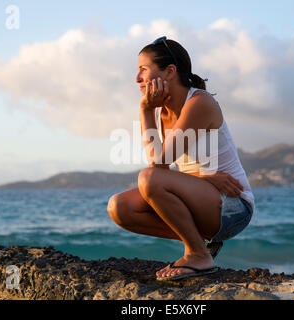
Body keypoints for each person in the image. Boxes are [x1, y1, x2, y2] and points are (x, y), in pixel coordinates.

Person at [107, 36, 255, 281]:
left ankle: (198, 254)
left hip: (233, 207)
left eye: (143, 70)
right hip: (205, 198)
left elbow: (158, 169)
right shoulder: (164, 111)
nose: (137, 79)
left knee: (149, 178)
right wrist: (206, 178)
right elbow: (158, 165)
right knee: (120, 207)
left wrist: (145, 110)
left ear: (170, 71)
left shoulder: (199, 102)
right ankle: (197, 243)